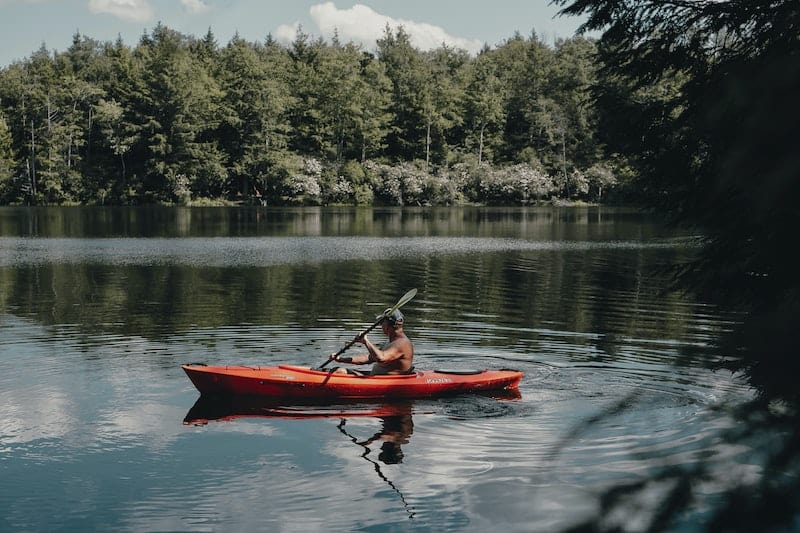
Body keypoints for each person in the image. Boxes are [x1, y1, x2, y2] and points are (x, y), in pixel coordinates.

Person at [328, 309, 414, 375]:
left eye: (382, 322)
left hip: (385, 382)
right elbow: (369, 358)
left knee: (339, 372)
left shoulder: (403, 343)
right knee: (337, 370)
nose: (381, 326)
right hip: (375, 378)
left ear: (388, 325)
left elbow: (381, 358)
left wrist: (366, 341)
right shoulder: (390, 341)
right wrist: (340, 359)